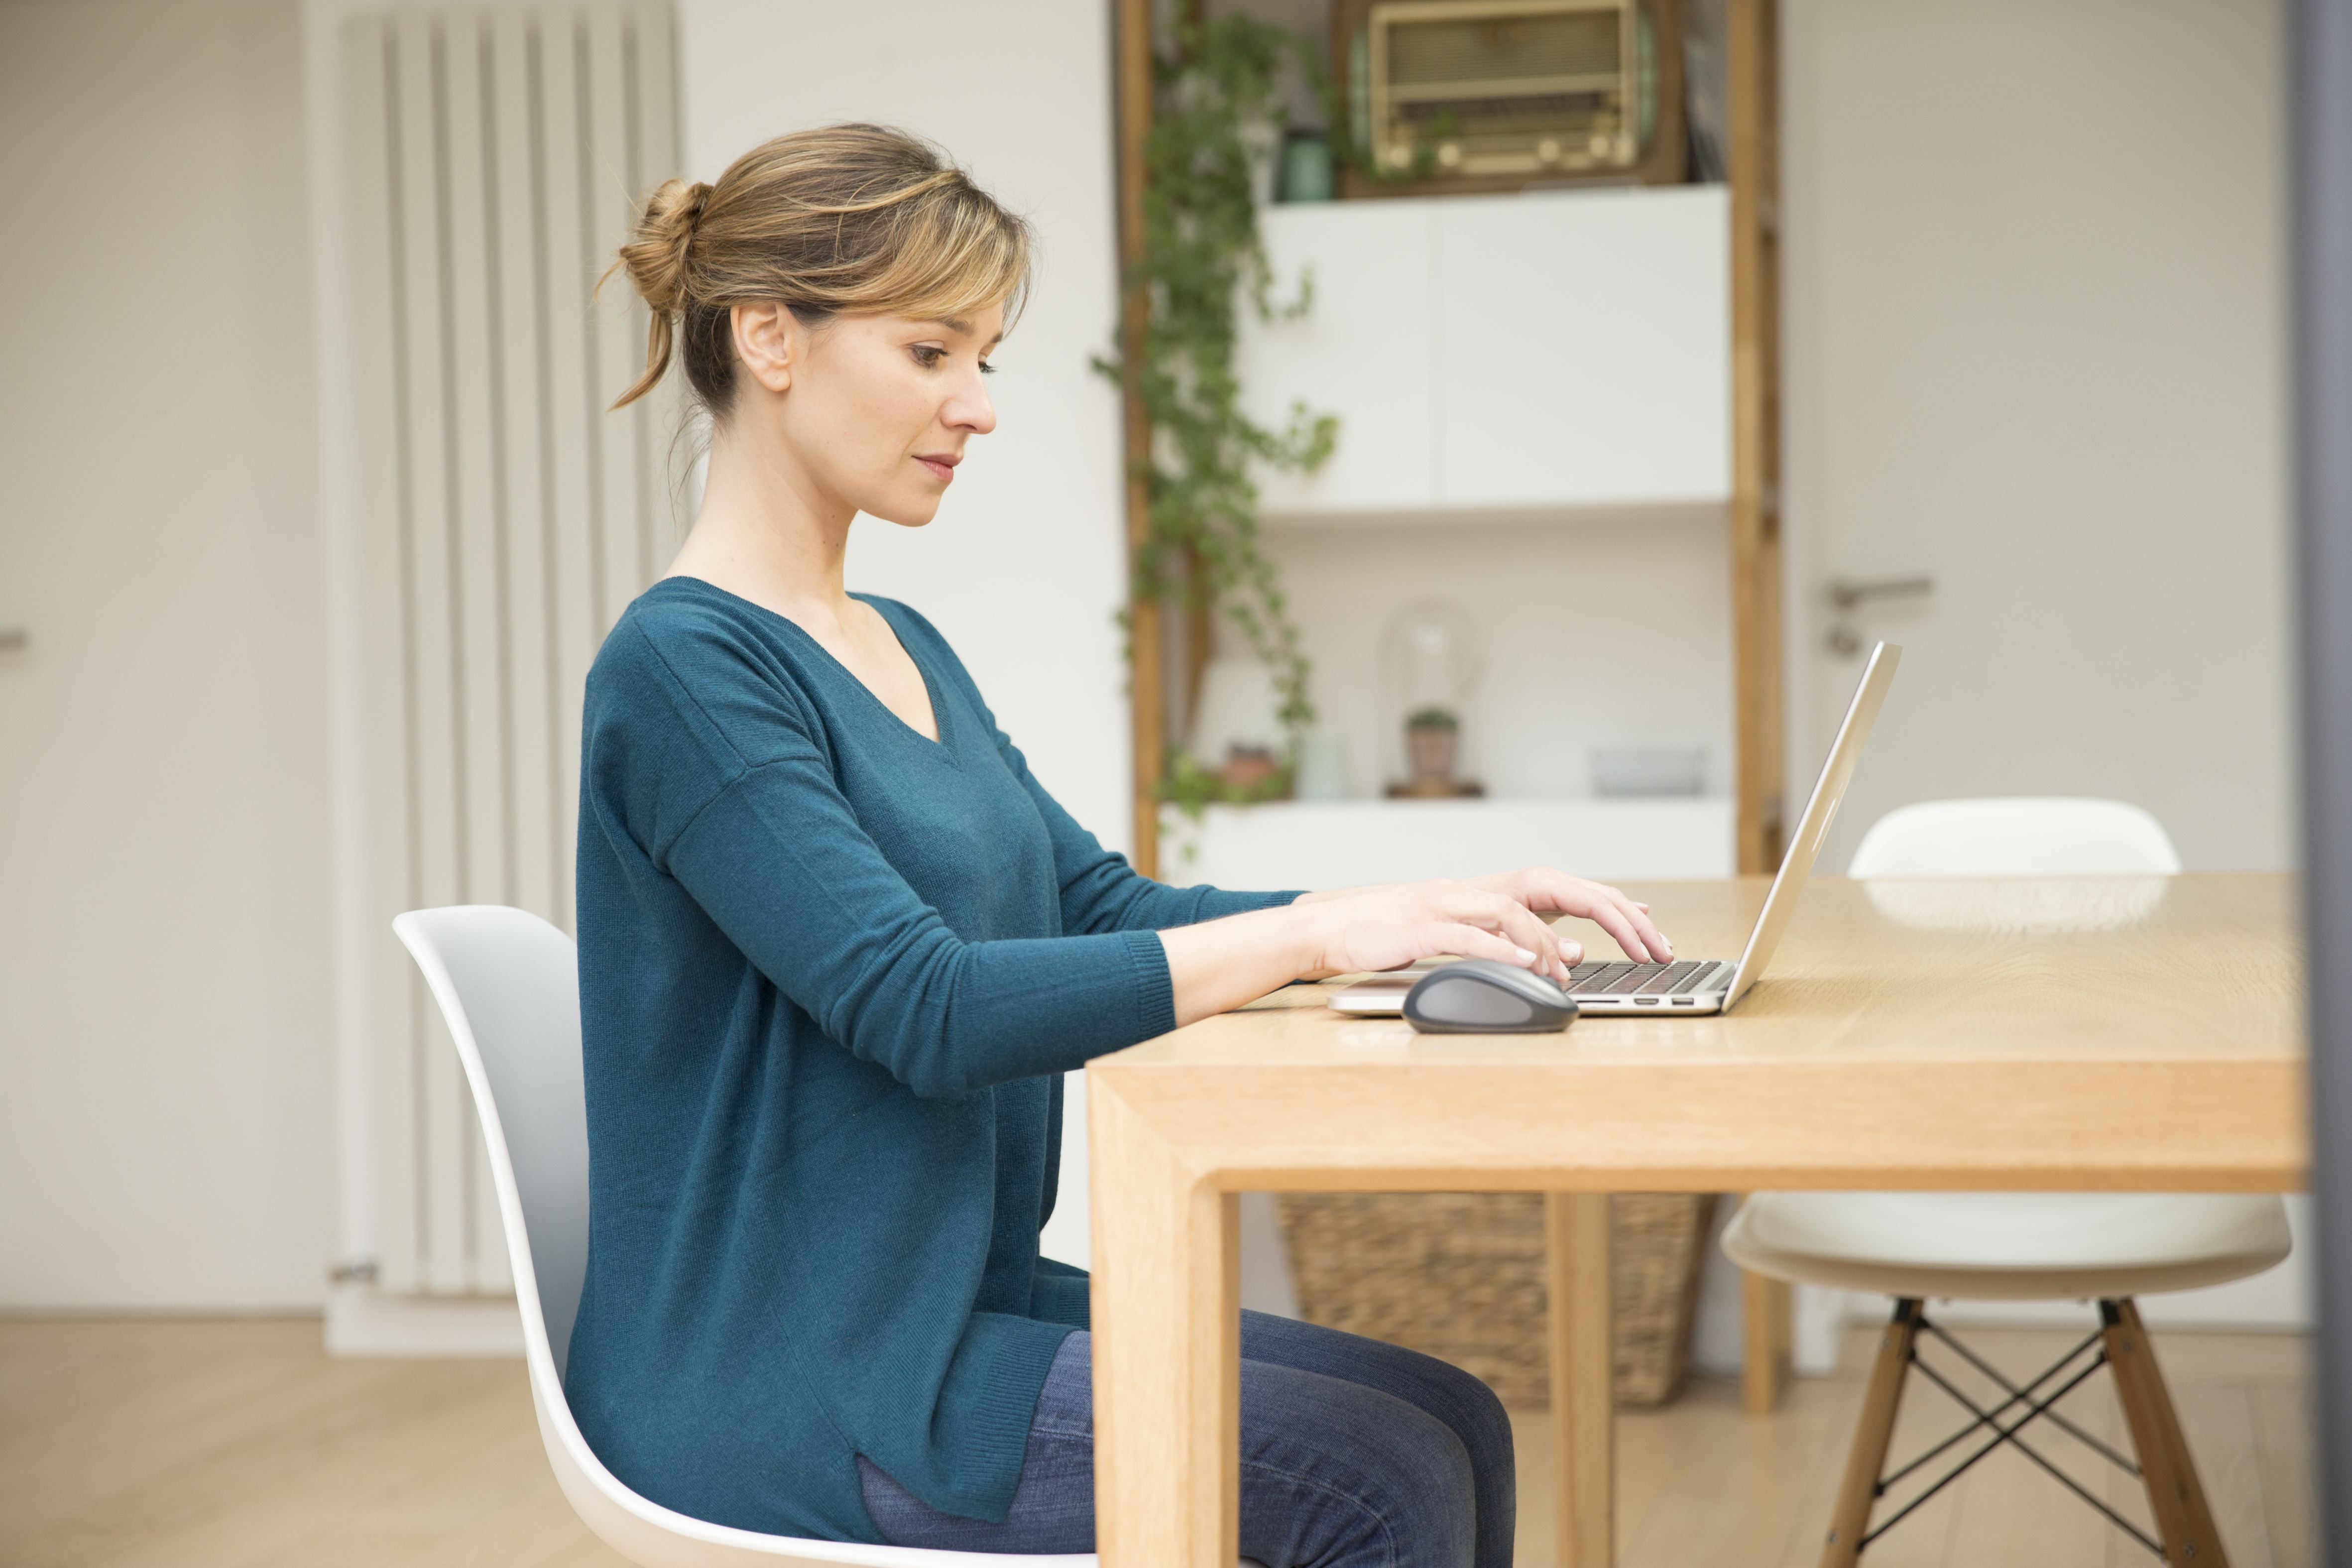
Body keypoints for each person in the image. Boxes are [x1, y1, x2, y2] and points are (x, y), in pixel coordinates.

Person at [568, 122, 1671, 1566]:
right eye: (930, 353)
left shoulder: (897, 642)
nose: (976, 406)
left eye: (986, 360)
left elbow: (1090, 902)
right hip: (794, 1370)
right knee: (1375, 1477)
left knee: (1449, 1413)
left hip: (940, 1302)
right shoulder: (684, 671)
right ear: (768, 338)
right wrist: (1309, 940)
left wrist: (1404, 907)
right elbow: (928, 1007)